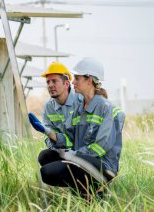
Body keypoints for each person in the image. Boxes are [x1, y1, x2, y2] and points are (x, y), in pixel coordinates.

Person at [30, 57, 125, 198]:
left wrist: (73, 155)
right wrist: (48, 132)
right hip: (82, 158)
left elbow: (101, 147)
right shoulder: (79, 110)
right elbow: (69, 139)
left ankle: (97, 190)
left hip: (103, 165)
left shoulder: (106, 109)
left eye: (77, 78)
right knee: (47, 168)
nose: (73, 82)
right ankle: (84, 192)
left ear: (89, 80)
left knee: (50, 171)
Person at [29, 61, 83, 156]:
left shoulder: (81, 102)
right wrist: (57, 148)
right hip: (62, 150)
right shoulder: (48, 108)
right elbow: (49, 138)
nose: (50, 85)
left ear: (66, 84)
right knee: (44, 156)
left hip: (82, 151)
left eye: (54, 81)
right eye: (48, 82)